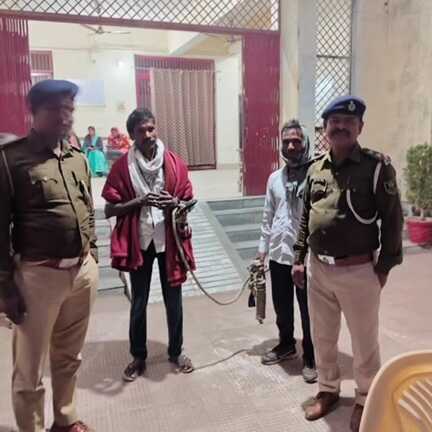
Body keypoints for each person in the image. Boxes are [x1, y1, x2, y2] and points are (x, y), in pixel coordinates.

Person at [292, 96, 403, 431]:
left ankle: (366, 398)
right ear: (325, 128)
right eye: (334, 121)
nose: (340, 127)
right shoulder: (315, 168)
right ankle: (327, 390)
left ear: (360, 127)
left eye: (348, 122)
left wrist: (384, 266)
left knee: (364, 342)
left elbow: (393, 219)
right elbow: (306, 216)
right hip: (319, 269)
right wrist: (298, 258)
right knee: (323, 336)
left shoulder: (376, 167)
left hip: (358, 271)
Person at [0, 79, 99, 432]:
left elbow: (88, 210)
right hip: (38, 277)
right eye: (54, 109)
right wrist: (5, 288)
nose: (64, 116)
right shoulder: (10, 160)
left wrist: (93, 255)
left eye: (69, 109)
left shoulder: (77, 158)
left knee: (69, 356)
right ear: (34, 112)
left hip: (82, 273)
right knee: (29, 368)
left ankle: (65, 418)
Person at [102, 108, 196, 381]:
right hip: (140, 241)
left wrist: (175, 203)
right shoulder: (122, 168)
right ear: (132, 135)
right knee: (139, 302)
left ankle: (176, 351)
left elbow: (190, 200)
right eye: (141, 131)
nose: (148, 134)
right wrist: (139, 202)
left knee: (174, 300)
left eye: (151, 128)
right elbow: (109, 209)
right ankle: (138, 356)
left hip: (168, 241)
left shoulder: (174, 163)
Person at [257, 119, 317, 383]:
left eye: (296, 141)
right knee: (282, 306)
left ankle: (311, 356)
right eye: (286, 142)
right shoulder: (275, 178)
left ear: (305, 143)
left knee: (308, 310)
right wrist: (262, 251)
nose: (291, 146)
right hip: (278, 255)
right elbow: (267, 216)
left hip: (306, 259)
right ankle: (286, 344)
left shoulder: (315, 175)